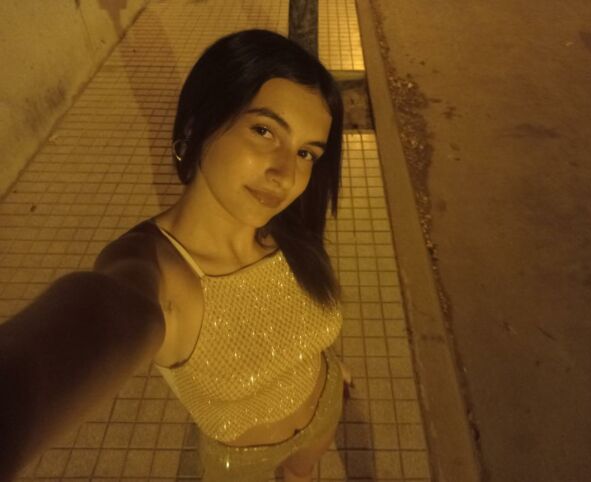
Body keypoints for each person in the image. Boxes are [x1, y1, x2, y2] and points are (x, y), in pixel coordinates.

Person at [0, 29, 351, 481]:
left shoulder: (291, 229)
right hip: (242, 462)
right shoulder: (159, 270)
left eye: (306, 153)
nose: (285, 174)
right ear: (196, 125)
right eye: (264, 131)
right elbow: (103, 315)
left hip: (325, 408)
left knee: (304, 473)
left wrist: (328, 366)